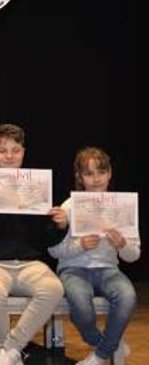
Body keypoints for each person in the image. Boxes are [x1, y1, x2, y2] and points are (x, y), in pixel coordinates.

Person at [0, 124, 67, 365]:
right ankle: (11, 355)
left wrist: (60, 226)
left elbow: (47, 238)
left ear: (23, 152)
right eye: (1, 151)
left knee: (53, 289)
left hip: (30, 264)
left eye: (15, 150)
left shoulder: (36, 185)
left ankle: (7, 351)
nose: (9, 156)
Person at [48, 147, 139, 365]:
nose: (96, 179)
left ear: (110, 173)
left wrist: (123, 245)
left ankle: (99, 356)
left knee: (128, 296)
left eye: (101, 172)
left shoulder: (123, 206)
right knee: (80, 304)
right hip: (72, 270)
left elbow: (134, 255)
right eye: (89, 174)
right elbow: (53, 250)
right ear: (80, 177)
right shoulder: (69, 207)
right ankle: (106, 344)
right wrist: (79, 245)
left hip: (108, 270)